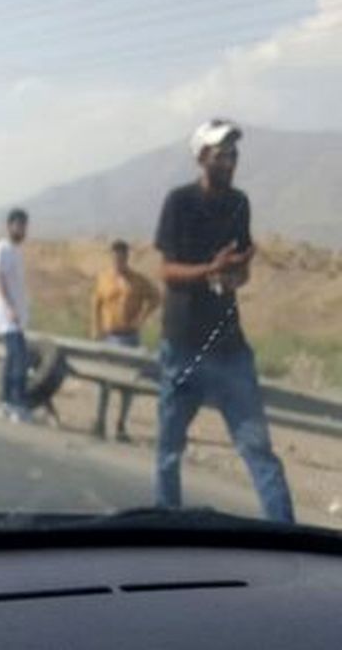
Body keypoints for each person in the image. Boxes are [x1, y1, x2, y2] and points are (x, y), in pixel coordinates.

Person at [153, 118, 294, 523]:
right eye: (221, 154)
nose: (230, 161)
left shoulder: (239, 203)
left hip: (230, 348)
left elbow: (240, 273)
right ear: (201, 158)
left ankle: (285, 535)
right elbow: (167, 272)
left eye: (233, 153)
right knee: (169, 449)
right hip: (183, 346)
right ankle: (165, 527)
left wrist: (235, 272)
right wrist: (209, 270)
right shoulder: (179, 202)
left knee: (257, 449)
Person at [91, 239, 161, 441]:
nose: (118, 260)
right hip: (109, 336)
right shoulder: (104, 278)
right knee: (105, 380)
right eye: (115, 256)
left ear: (126, 257)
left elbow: (156, 297)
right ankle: (100, 421)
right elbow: (95, 303)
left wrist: (141, 319)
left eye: (121, 256)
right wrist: (96, 328)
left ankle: (121, 424)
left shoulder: (137, 281)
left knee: (129, 384)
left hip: (130, 336)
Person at [0, 208, 31, 423]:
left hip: (15, 318)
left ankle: (6, 403)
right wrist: (9, 307)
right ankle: (16, 404)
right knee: (19, 360)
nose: (22, 229)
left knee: (13, 358)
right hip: (8, 318)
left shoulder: (15, 251)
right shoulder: (3, 248)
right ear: (10, 226)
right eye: (19, 225)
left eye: (24, 225)